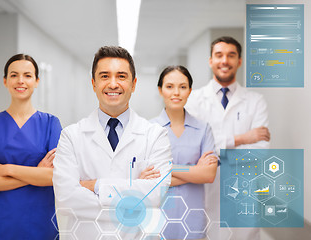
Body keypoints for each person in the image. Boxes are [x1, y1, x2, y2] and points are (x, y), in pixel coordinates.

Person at [53, 46, 172, 239]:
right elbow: (67, 199)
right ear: (93, 83)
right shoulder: (71, 136)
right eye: (105, 76)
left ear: (133, 84)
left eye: (122, 76)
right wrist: (134, 192)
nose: (113, 84)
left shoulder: (156, 135)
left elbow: (157, 194)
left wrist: (96, 186)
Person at [186, 36, 270, 240]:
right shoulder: (194, 100)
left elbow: (260, 151)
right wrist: (241, 138)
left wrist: (213, 154)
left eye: (231, 55)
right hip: (204, 190)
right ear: (211, 61)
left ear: (239, 61)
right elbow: (192, 149)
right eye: (219, 55)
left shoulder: (255, 101)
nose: (225, 60)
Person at [0, 54, 62, 239]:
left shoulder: (52, 124)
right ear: (5, 81)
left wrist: (7, 169)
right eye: (14, 75)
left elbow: (54, 176)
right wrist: (35, 173)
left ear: (37, 81)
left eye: (27, 75)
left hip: (40, 222)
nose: (20, 81)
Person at [150, 66, 218, 240]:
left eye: (182, 87)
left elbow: (209, 175)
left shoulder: (203, 129)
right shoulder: (148, 130)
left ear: (189, 91)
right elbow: (148, 179)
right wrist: (195, 171)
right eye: (170, 86)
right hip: (157, 221)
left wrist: (166, 168)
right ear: (160, 90)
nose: (176, 93)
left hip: (193, 220)